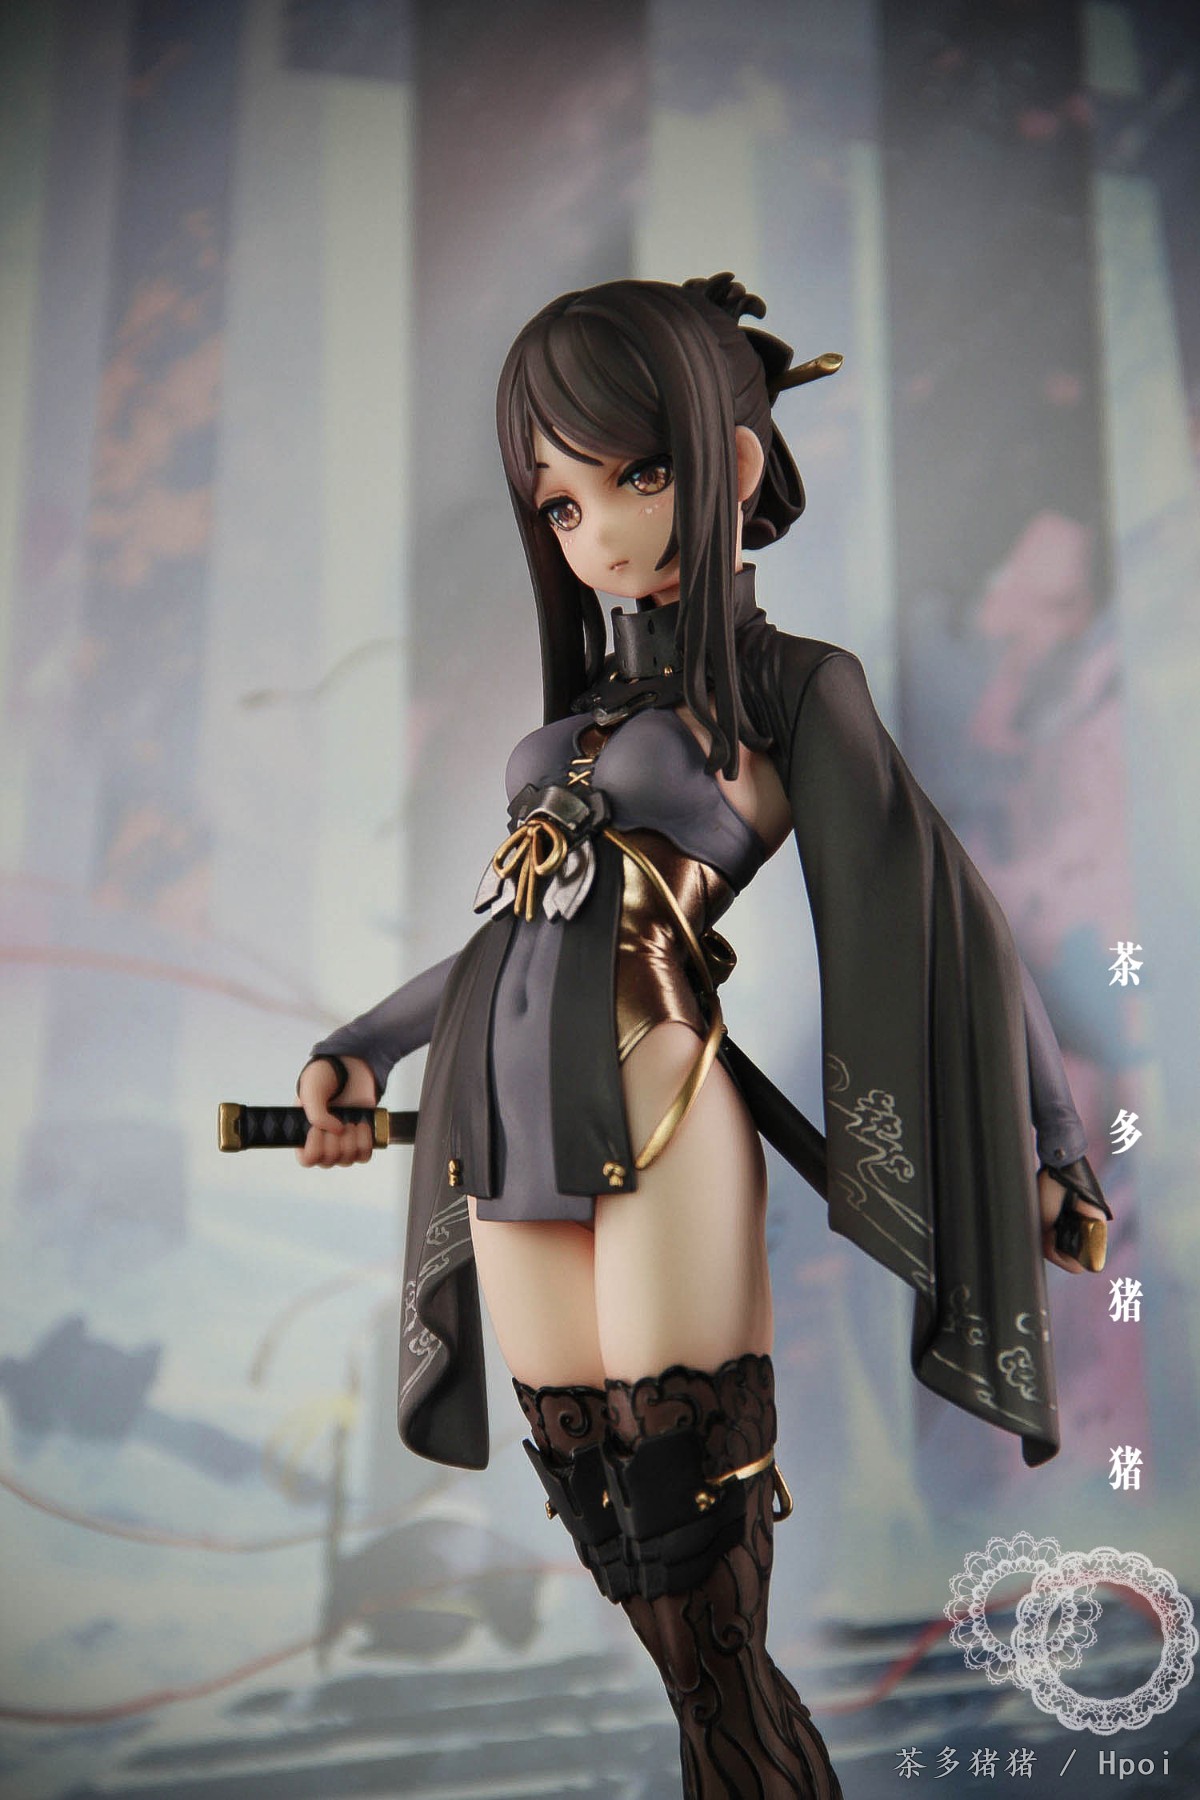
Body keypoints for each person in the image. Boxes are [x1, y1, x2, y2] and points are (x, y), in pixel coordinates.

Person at [293, 274, 1110, 1800]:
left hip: (658, 1097)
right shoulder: (576, 721)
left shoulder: (796, 689)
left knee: (688, 1515)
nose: (599, 529)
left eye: (638, 474)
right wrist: (364, 1045)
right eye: (561, 501)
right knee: (609, 1519)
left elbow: (948, 909)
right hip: (495, 1120)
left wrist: (1055, 1143)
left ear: (728, 465)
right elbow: (514, 932)